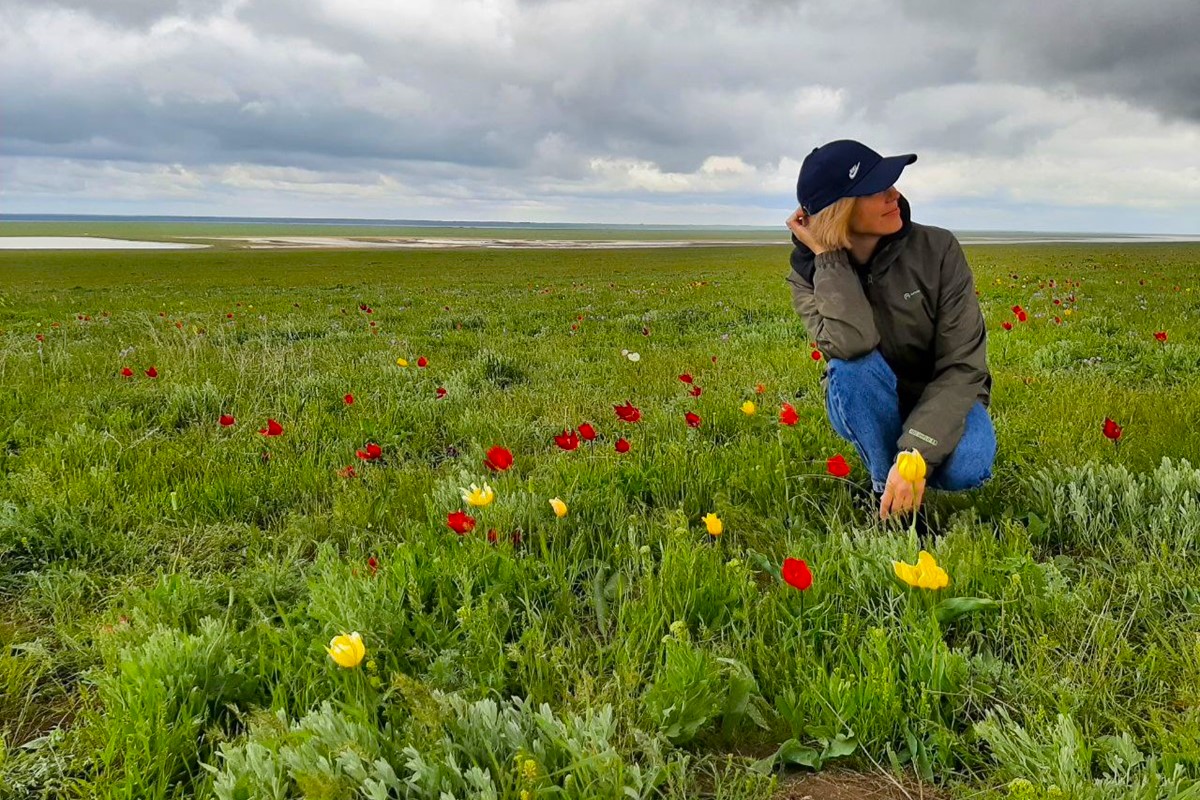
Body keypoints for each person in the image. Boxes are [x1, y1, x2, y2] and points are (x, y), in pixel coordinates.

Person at [784, 139, 995, 524]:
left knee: (968, 465)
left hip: (941, 394)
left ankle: (905, 470)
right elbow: (851, 346)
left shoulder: (938, 249)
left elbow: (964, 366)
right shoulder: (809, 275)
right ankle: (892, 504)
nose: (894, 195)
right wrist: (829, 261)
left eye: (892, 184)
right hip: (868, 392)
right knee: (850, 369)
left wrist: (917, 451)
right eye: (877, 189)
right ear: (840, 210)